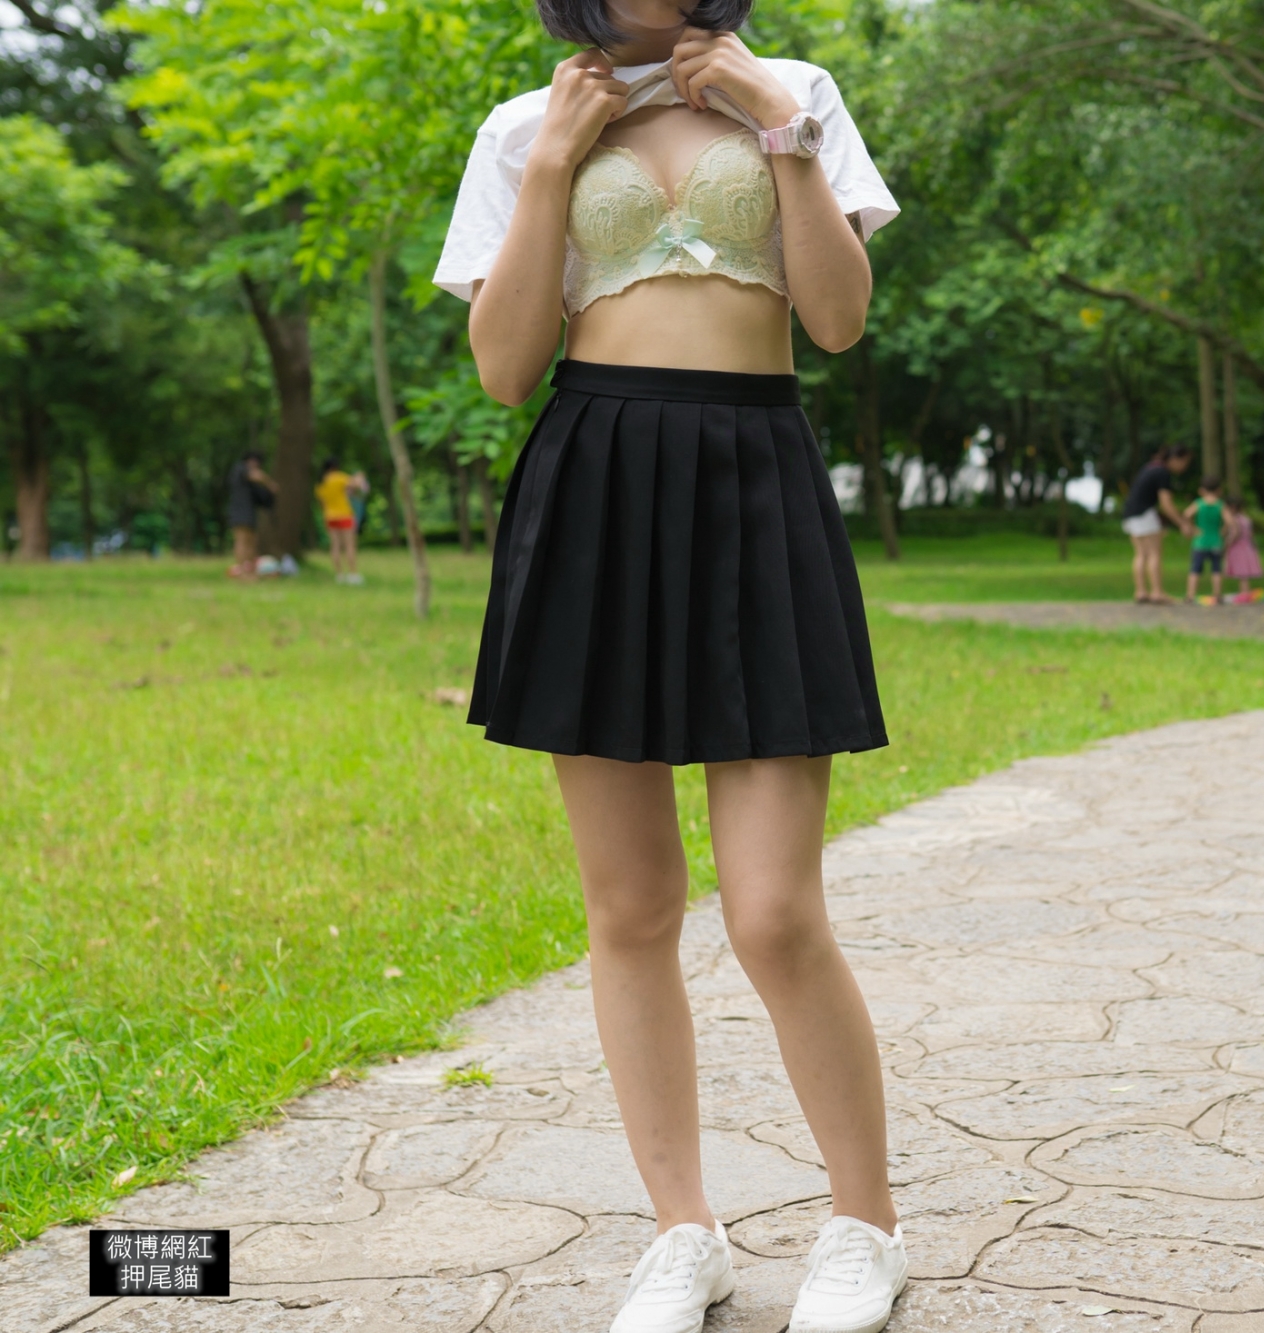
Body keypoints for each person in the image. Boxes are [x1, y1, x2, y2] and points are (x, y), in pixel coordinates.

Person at [434, 1, 904, 1329]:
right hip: (596, 485)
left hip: (756, 478)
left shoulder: (794, 85)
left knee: (773, 910)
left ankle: (864, 1226)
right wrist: (551, 163)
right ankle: (681, 1234)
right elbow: (504, 366)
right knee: (632, 906)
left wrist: (780, 127)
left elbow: (838, 319)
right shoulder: (524, 124)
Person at [1122, 445, 1193, 604]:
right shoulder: (1162, 472)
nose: (1185, 467)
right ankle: (1157, 592)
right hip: (1145, 513)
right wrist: (1182, 523)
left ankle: (1141, 592)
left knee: (1141, 554)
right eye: (1185, 462)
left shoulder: (1150, 467)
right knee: (1154, 553)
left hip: (1130, 513)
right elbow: (1166, 504)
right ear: (1175, 459)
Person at [224, 451, 277, 580]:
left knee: (251, 544)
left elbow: (264, 500)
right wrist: (270, 484)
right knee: (241, 541)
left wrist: (270, 493)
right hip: (239, 513)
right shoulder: (240, 469)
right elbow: (257, 476)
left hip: (250, 515)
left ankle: (250, 572)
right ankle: (242, 572)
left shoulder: (252, 485)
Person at [315, 460, 365, 585]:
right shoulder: (339, 477)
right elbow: (356, 485)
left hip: (329, 517)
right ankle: (353, 574)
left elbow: (322, 504)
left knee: (335, 546)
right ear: (335, 467)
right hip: (344, 515)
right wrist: (359, 476)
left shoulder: (320, 483)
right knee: (349, 545)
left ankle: (339, 575)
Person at [1185, 475, 1226, 603]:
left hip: (1200, 542)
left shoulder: (1199, 503)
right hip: (1216, 541)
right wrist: (1222, 531)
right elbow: (1231, 522)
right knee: (1216, 569)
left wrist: (1192, 528)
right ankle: (1217, 595)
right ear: (1219, 490)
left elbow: (1187, 514)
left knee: (1195, 569)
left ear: (1202, 490)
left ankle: (1190, 595)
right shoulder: (1220, 505)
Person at [1221, 494, 1264, 603]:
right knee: (1244, 573)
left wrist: (1227, 543)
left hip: (1238, 549)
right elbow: (1251, 534)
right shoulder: (1246, 519)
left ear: (1232, 508)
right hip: (1248, 547)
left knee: (1242, 573)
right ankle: (1245, 592)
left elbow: (1235, 533)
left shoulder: (1234, 520)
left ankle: (1244, 594)